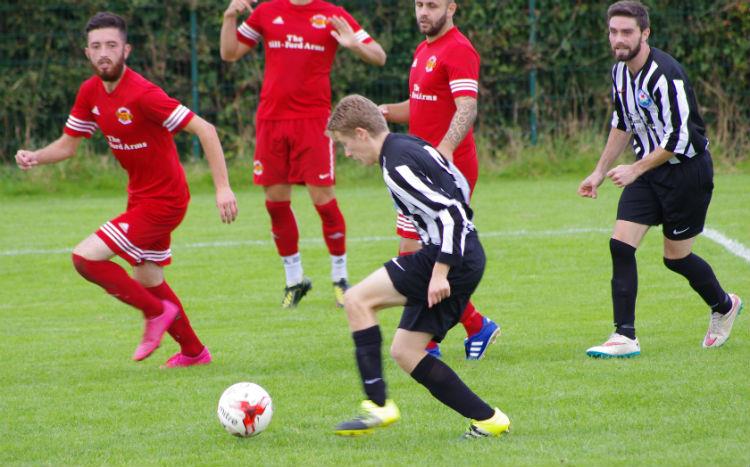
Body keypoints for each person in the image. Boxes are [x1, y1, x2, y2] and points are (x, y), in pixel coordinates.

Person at [14, 12, 239, 368]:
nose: (104, 52)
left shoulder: (144, 94)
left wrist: (223, 188)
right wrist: (36, 158)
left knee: (85, 257)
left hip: (164, 201)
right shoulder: (90, 92)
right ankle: (195, 352)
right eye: (96, 46)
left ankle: (154, 314)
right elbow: (69, 145)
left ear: (126, 50)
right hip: (140, 196)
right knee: (148, 277)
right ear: (87, 52)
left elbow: (206, 129)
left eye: (112, 46)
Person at [326, 94, 510, 438]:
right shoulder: (405, 144)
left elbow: (451, 213)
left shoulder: (395, 165)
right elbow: (456, 189)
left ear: (363, 133)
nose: (348, 153)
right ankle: (489, 419)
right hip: (461, 253)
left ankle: (377, 405)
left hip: (450, 257)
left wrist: (440, 270)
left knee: (356, 300)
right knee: (406, 351)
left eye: (346, 145)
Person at [578, 0, 742, 358]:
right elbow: (622, 122)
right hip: (649, 172)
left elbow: (681, 138)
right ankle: (624, 336)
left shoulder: (666, 74)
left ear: (645, 33)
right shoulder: (620, 72)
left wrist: (636, 168)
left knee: (676, 258)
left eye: (627, 32)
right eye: (613, 32)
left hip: (687, 173)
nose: (618, 39)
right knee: (620, 246)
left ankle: (724, 305)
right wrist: (599, 171)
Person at [220, 0, 386, 308]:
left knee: (323, 201)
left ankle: (340, 278)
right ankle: (295, 281)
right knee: (275, 203)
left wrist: (353, 45)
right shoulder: (267, 11)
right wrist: (229, 16)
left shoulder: (331, 14)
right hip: (271, 121)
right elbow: (229, 53)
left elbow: (379, 55)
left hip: (312, 123)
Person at [378, 0, 498, 360]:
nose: (423, 12)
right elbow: (420, 105)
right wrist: (381, 113)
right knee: (414, 252)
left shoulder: (459, 50)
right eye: (418, 4)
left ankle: (427, 339)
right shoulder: (424, 49)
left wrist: (441, 154)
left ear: (451, 7)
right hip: (419, 169)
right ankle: (475, 326)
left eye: (432, 5)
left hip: (447, 170)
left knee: (416, 253)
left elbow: (467, 107)